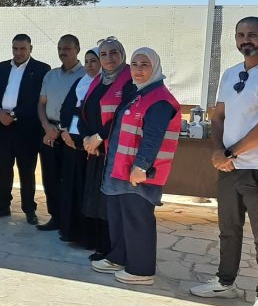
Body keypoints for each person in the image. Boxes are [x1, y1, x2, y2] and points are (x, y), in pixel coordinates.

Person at [192, 16, 258, 306]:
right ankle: (225, 282)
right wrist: (219, 151)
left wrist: (231, 152)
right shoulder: (230, 73)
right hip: (230, 168)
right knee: (228, 229)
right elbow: (218, 116)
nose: (246, 39)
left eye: (252, 34)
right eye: (241, 34)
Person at [91, 48, 180, 287]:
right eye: (134, 64)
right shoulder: (138, 93)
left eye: (144, 65)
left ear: (155, 67)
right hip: (123, 169)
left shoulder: (159, 99)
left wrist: (141, 166)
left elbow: (153, 136)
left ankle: (140, 270)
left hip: (139, 173)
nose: (138, 70)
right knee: (120, 217)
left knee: (137, 219)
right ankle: (119, 257)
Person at [0, 34, 51, 224]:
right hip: (3, 127)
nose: (19, 52)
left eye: (23, 48)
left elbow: (37, 100)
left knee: (27, 170)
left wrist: (14, 114)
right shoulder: (2, 67)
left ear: (30, 48)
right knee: (3, 169)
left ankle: (29, 209)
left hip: (27, 129)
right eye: (15, 48)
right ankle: (2, 206)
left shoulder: (41, 69)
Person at [78, 37, 132, 261]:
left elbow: (123, 114)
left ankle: (115, 251)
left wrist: (98, 137)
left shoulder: (130, 81)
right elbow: (84, 110)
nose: (109, 58)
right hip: (96, 151)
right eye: (103, 54)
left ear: (122, 55)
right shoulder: (98, 81)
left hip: (115, 151)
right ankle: (101, 246)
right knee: (97, 201)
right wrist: (86, 138)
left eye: (113, 53)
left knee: (112, 202)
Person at [36, 35, 84, 232]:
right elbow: (41, 104)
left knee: (71, 180)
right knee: (50, 177)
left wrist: (65, 131)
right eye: (60, 48)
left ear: (77, 49)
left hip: (72, 135)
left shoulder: (86, 75)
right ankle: (55, 218)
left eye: (67, 48)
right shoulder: (51, 75)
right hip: (50, 133)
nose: (63, 52)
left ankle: (70, 222)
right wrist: (46, 127)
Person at [58, 48, 101, 243]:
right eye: (87, 61)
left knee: (86, 190)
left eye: (94, 61)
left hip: (90, 145)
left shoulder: (103, 85)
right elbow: (66, 108)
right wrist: (64, 131)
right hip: (70, 142)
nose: (90, 65)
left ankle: (87, 236)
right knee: (70, 188)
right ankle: (69, 231)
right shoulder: (80, 82)